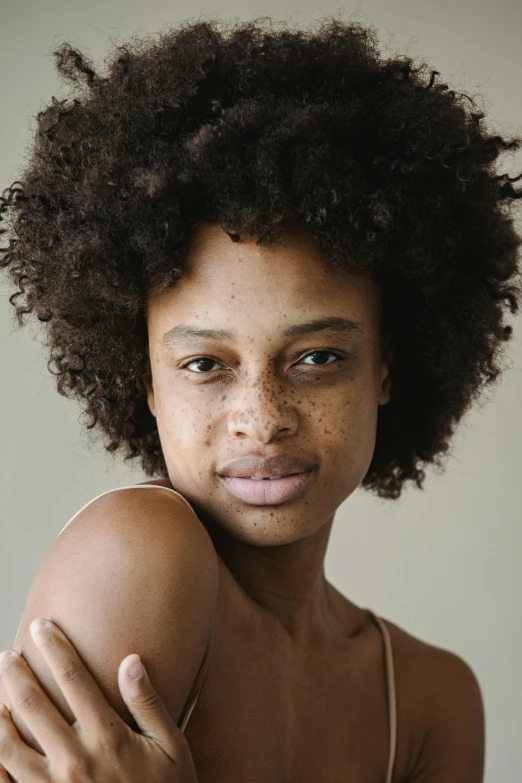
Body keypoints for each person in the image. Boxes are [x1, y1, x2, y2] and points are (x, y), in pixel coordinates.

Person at [1, 14, 520, 782]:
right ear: (143, 377)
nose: (264, 416)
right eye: (206, 363)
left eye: (318, 356)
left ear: (387, 363)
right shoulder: (141, 554)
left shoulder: (430, 701)